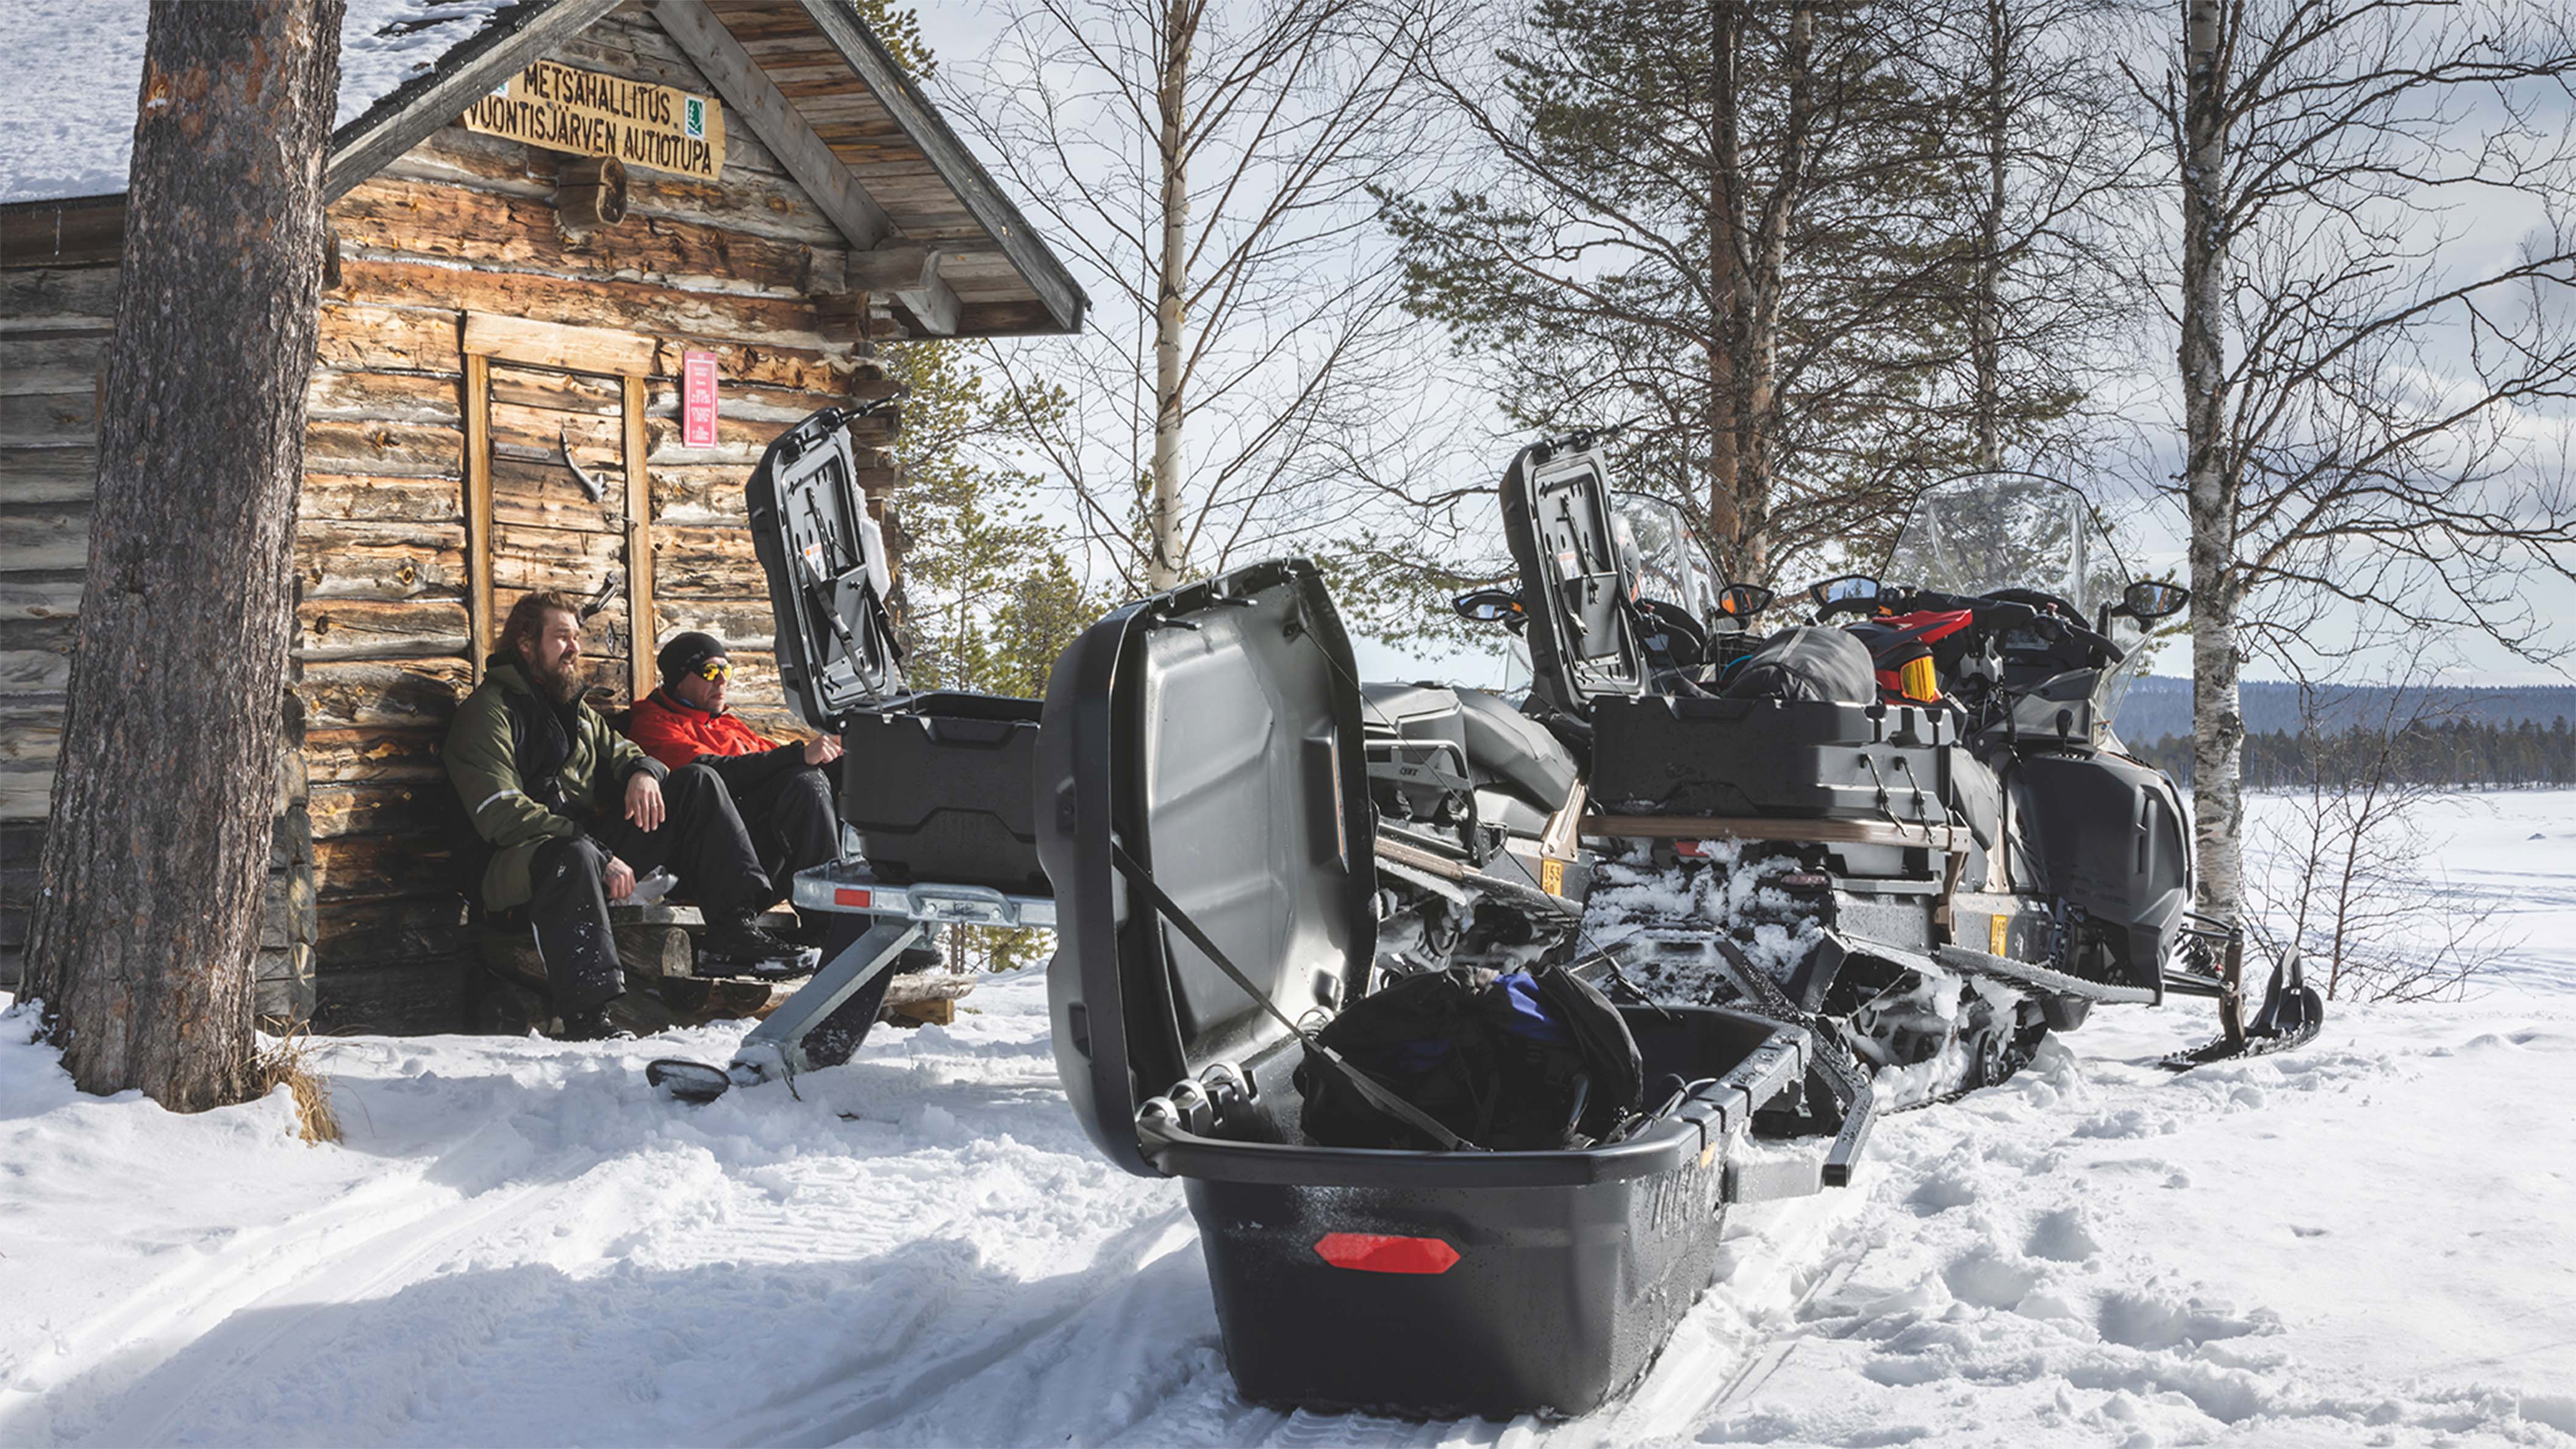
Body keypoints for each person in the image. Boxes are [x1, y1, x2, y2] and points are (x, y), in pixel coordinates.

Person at [445, 594, 805, 1037]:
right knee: (573, 854)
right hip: (512, 870)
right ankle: (588, 1017)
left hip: (583, 847)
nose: (575, 648)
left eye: (577, 637)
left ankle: (735, 931)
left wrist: (643, 773)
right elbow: (499, 813)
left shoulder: (574, 712)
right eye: (562, 638)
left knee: (695, 783)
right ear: (525, 644)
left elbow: (631, 754)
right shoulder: (489, 712)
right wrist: (599, 852)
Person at [624, 631, 844, 886]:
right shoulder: (655, 726)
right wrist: (800, 755)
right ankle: (825, 913)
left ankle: (857, 890)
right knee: (804, 783)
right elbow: (713, 773)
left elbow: (772, 759)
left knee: (837, 772)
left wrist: (836, 756)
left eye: (726, 671)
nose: (721, 680)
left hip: (756, 849)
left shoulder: (726, 724)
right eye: (709, 672)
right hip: (713, 856)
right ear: (678, 679)